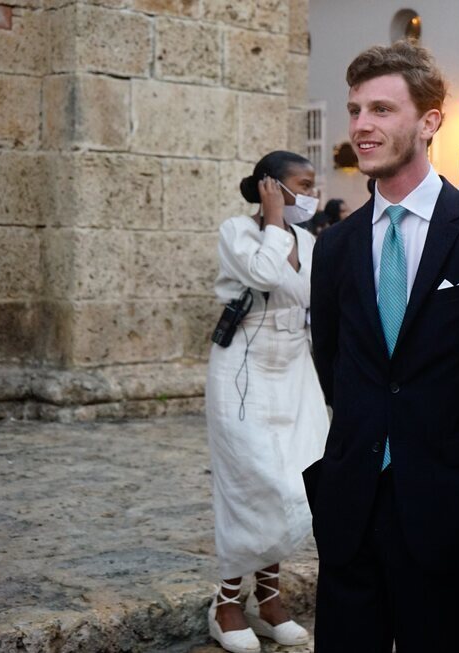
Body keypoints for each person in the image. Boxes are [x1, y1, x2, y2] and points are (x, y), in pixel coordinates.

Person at [304, 40, 459, 653]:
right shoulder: (335, 246)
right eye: (355, 110)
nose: (361, 125)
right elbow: (333, 364)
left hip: (447, 513)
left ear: (429, 122)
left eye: (381, 109)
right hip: (351, 509)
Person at [204, 150, 329, 653]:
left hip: (295, 366)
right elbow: (261, 273)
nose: (311, 194)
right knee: (252, 481)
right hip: (244, 368)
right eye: (303, 184)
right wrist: (274, 220)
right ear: (270, 186)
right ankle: (227, 603)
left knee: (297, 479)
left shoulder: (310, 240)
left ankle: (269, 598)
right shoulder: (237, 231)